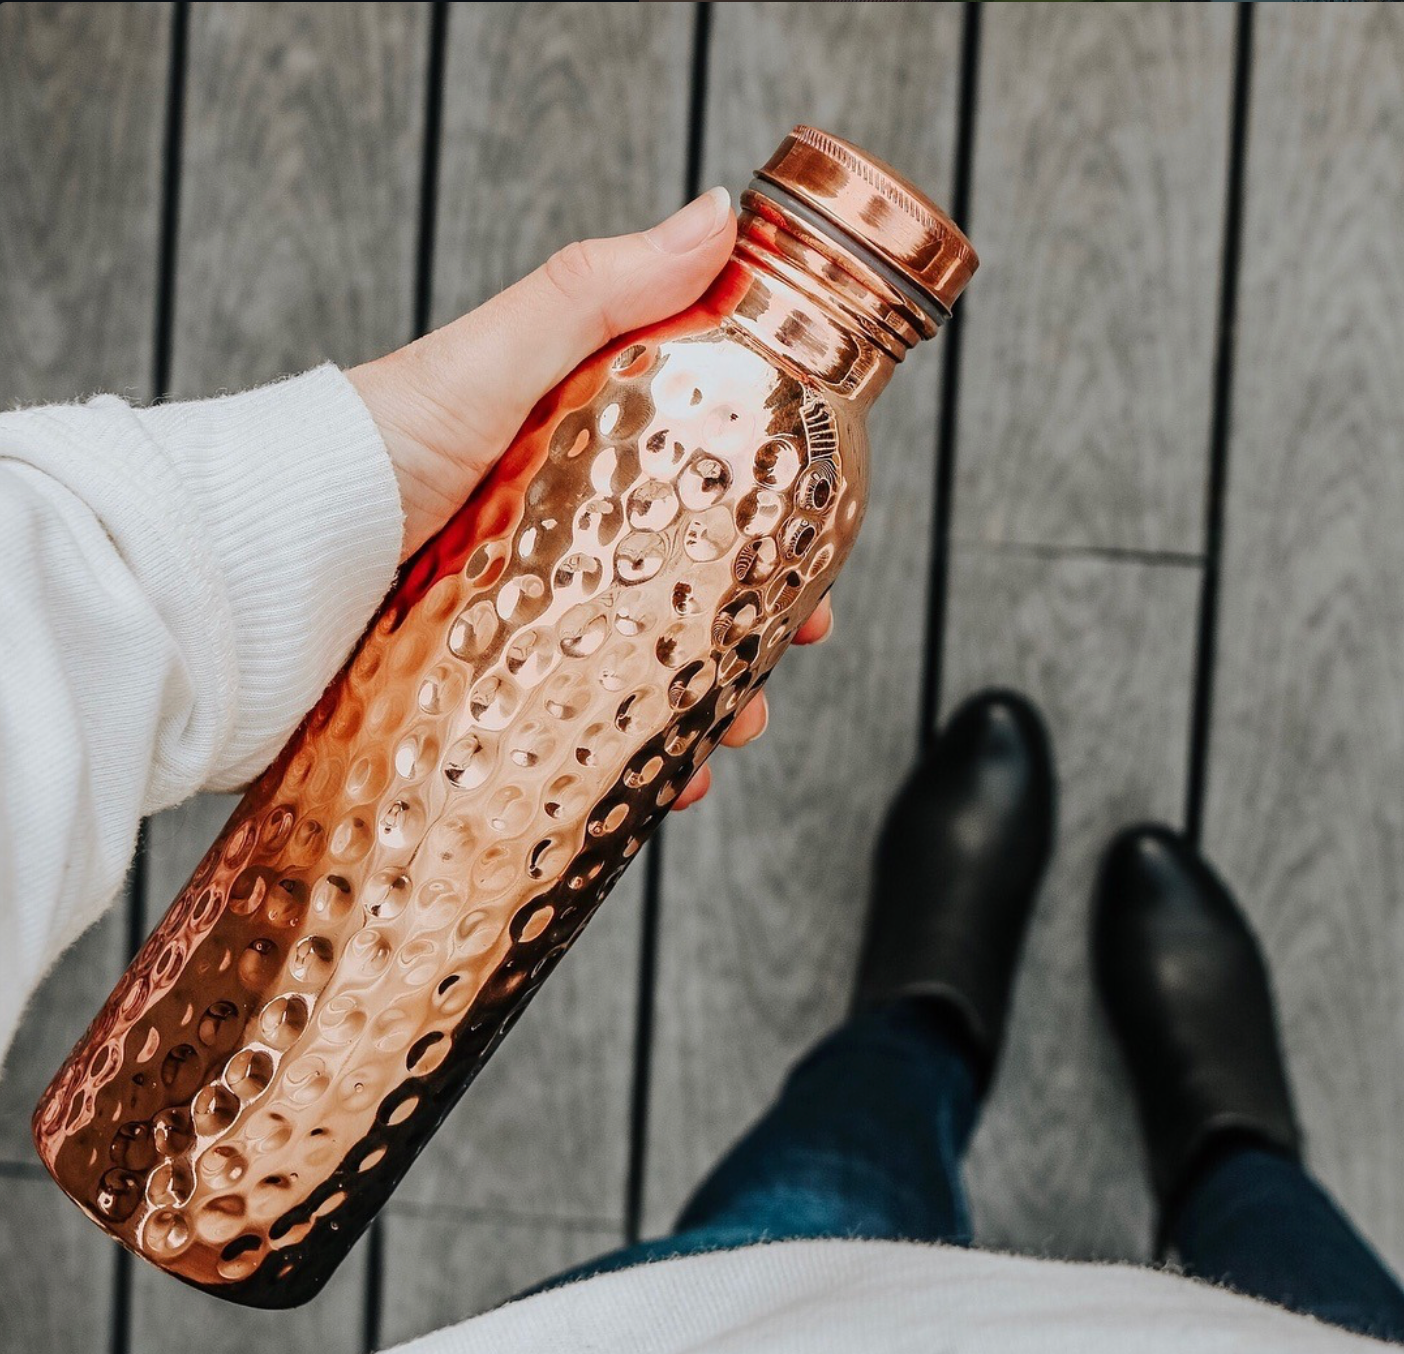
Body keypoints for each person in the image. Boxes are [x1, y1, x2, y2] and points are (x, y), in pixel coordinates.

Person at [1, 190, 1400, 1352]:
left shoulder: (803, 450)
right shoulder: (754, 417)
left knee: (805, 1216)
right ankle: (1207, 1136)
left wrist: (241, 548)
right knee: (1277, 1268)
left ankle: (922, 1028)